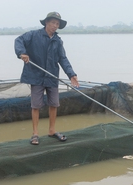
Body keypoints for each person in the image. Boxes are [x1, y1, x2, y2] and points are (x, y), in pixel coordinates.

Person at [14, 12, 79, 145]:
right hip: (36, 75)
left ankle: (52, 130)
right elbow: (18, 41)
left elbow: (63, 58)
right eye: (53, 23)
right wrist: (22, 53)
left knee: (54, 104)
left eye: (57, 24)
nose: (55, 26)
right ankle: (35, 134)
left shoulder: (58, 41)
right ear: (46, 23)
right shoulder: (33, 35)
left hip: (52, 76)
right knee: (36, 105)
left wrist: (71, 74)